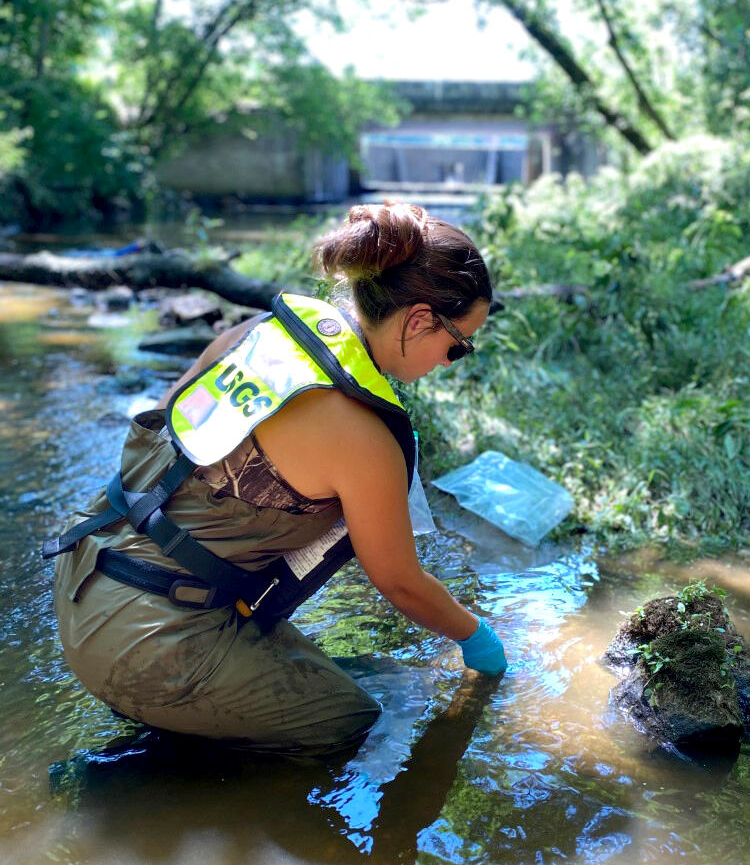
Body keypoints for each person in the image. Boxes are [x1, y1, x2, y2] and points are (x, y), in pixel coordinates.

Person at [46, 202, 509, 755]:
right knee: (349, 720)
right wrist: (476, 638)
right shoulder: (362, 437)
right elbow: (401, 583)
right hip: (142, 638)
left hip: (85, 573)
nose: (449, 361)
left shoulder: (261, 333)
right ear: (418, 319)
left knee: (324, 671)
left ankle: (173, 719)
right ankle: (124, 782)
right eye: (458, 346)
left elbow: (161, 436)